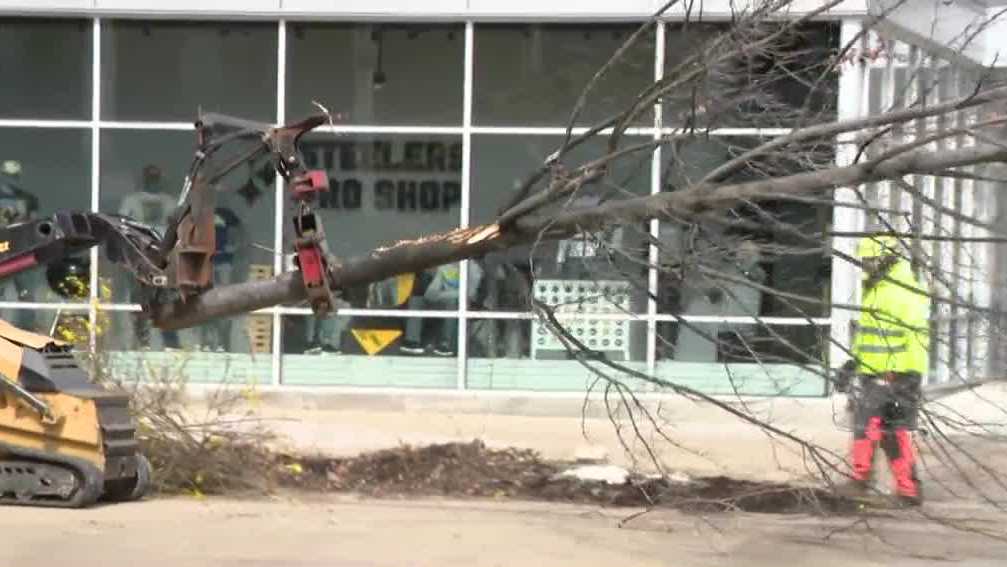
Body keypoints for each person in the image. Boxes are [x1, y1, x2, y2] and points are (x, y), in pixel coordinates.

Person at [834, 234, 930, 506]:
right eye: (864, 261)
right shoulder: (877, 288)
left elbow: (913, 337)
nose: (866, 265)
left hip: (895, 375)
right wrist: (854, 363)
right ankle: (864, 480)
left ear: (886, 258)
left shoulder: (901, 290)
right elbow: (870, 336)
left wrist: (900, 375)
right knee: (868, 428)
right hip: (876, 373)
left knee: (890, 432)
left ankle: (904, 489)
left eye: (870, 260)